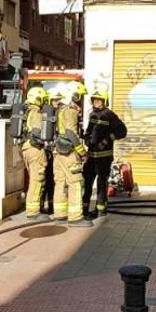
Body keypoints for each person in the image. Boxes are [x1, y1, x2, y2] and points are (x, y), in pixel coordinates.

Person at [82, 88, 127, 220]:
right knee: (88, 183)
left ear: (104, 101)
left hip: (104, 157)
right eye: (94, 100)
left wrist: (107, 140)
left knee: (102, 184)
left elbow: (122, 131)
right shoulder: (92, 115)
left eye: (99, 100)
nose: (96, 103)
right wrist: (86, 138)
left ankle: (100, 210)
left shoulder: (110, 115)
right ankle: (84, 209)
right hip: (91, 157)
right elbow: (89, 131)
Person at [53, 82, 92, 228]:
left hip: (58, 151)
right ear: (75, 95)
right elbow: (71, 132)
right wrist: (82, 151)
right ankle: (75, 217)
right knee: (75, 182)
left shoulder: (61, 109)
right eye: (80, 96)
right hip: (69, 152)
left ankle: (60, 214)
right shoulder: (71, 111)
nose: (81, 99)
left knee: (60, 182)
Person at [21, 87, 51, 222]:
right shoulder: (37, 113)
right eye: (43, 99)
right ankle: (33, 212)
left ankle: (36, 208)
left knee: (33, 178)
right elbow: (37, 133)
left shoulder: (26, 111)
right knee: (37, 180)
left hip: (26, 148)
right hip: (35, 149)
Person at [40, 87, 65, 215]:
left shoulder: (62, 112)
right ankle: (41, 207)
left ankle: (52, 207)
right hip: (46, 151)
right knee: (45, 180)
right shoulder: (45, 113)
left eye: (58, 100)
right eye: (54, 100)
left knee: (55, 180)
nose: (57, 102)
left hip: (57, 151)